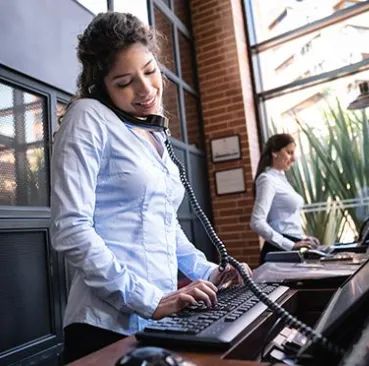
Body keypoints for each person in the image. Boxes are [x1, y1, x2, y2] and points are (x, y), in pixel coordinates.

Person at [50, 11, 251, 364]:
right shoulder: (87, 117)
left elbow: (164, 225)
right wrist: (151, 299)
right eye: (125, 82)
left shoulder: (151, 132)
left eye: (149, 71)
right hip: (104, 326)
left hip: (160, 320)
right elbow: (70, 229)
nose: (145, 90)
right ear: (101, 87)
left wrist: (211, 273)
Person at [249, 133, 320, 263]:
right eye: (289, 152)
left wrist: (302, 238)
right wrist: (290, 245)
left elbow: (286, 221)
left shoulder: (281, 179)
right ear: (275, 152)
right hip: (280, 250)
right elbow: (256, 222)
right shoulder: (267, 179)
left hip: (291, 245)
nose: (293, 159)